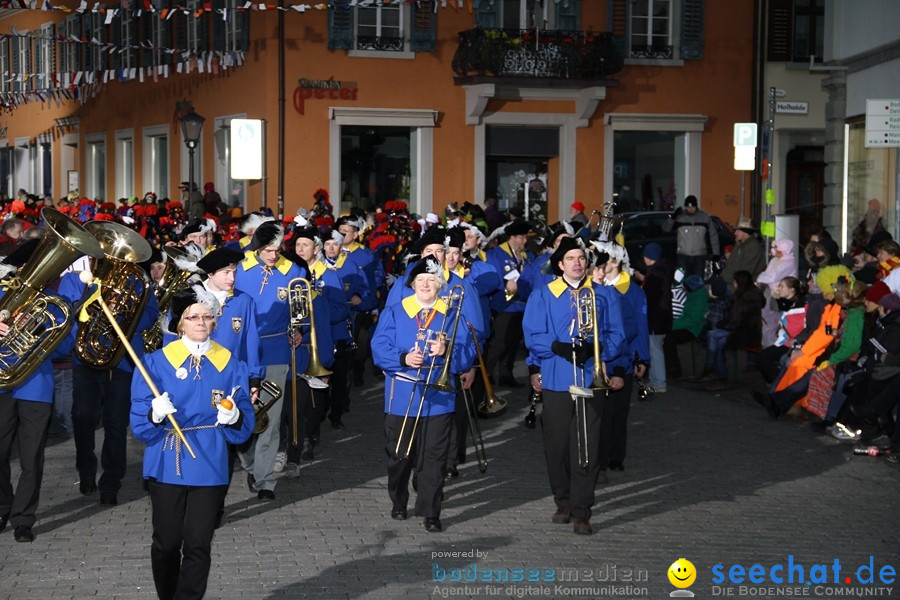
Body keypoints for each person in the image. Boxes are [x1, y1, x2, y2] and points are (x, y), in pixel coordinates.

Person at [130, 286, 254, 600]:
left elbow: (245, 421)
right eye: (193, 316)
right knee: (166, 543)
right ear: (179, 323)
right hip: (167, 456)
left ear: (215, 322)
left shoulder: (231, 364)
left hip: (210, 459)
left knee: (199, 542)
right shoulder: (155, 363)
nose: (201, 322)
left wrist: (235, 417)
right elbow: (141, 425)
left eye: (207, 317)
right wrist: (154, 414)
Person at [523, 237, 625, 535]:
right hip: (556, 377)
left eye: (581, 258)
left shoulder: (604, 294)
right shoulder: (544, 294)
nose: (577, 263)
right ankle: (563, 500)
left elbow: (618, 333)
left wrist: (599, 351)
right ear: (560, 263)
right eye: (570, 258)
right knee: (557, 445)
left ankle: (582, 509)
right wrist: (557, 347)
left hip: (591, 377)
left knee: (587, 446)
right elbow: (532, 333)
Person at [371, 256, 475, 533]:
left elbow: (467, 354)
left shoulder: (453, 314)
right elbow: (379, 347)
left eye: (432, 280)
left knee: (434, 457)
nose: (426, 284)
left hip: (438, 398)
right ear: (413, 284)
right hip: (402, 395)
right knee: (399, 456)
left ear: (439, 284)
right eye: (421, 280)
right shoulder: (395, 311)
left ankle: (431, 510)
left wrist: (447, 353)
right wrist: (403, 358)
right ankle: (399, 499)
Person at [0, 240, 82, 542]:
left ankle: (24, 518)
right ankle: (3, 505)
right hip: (1, 385)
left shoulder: (55, 303)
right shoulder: (0, 294)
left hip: (36, 386)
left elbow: (64, 347)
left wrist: (34, 330)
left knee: (31, 457)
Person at [233, 221, 306, 500]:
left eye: (277, 249)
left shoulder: (294, 271)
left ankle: (265, 481)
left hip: (276, 349)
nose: (273, 255)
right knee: (241, 415)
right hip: (241, 352)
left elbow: (300, 312)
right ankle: (250, 464)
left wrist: (300, 329)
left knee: (271, 418)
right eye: (267, 249)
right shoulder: (239, 269)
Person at [593, 240, 649, 473]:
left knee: (618, 412)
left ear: (614, 262)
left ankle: (615, 456)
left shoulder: (632, 291)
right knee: (600, 413)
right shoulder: (595, 286)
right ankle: (599, 456)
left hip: (623, 358)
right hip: (600, 359)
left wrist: (641, 358)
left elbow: (640, 326)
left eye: (603, 260)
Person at [485, 219, 534, 387]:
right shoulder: (495, 254)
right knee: (500, 343)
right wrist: (506, 288)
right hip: (505, 305)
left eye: (525, 238)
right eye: (521, 237)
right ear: (511, 237)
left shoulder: (527, 256)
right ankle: (487, 374)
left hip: (523, 305)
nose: (524, 241)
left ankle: (506, 374)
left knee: (513, 343)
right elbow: (494, 279)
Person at [639, 242, 674, 394]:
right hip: (663, 317)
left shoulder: (655, 275)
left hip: (655, 318)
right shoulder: (663, 270)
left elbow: (649, 296)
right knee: (655, 349)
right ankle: (654, 381)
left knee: (655, 351)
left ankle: (659, 383)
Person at [662, 195, 720, 279]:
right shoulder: (680, 217)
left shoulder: (704, 218)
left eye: (692, 207)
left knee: (698, 280)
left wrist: (716, 253)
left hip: (699, 256)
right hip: (683, 255)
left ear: (696, 206)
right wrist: (673, 217)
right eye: (688, 207)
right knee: (680, 280)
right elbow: (666, 229)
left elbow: (713, 235)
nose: (690, 209)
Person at [663, 274, 708, 381]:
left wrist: (671, 325)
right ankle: (671, 368)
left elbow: (692, 320)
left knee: (669, 339)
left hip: (693, 329)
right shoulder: (695, 291)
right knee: (667, 337)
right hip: (686, 323)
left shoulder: (699, 300)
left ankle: (675, 370)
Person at [756, 239, 798, 347]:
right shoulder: (774, 260)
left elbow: (772, 276)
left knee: (774, 323)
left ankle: (771, 348)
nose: (775, 251)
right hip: (770, 293)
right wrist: (764, 278)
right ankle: (766, 347)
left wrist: (763, 278)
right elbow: (767, 275)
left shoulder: (789, 262)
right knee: (766, 322)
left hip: (780, 297)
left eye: (777, 249)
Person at [721, 216, 766, 282]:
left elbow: (745, 273)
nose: (735, 233)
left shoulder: (753, 247)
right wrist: (722, 277)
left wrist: (726, 281)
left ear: (745, 233)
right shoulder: (739, 244)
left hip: (743, 285)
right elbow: (730, 264)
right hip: (733, 282)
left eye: (738, 231)